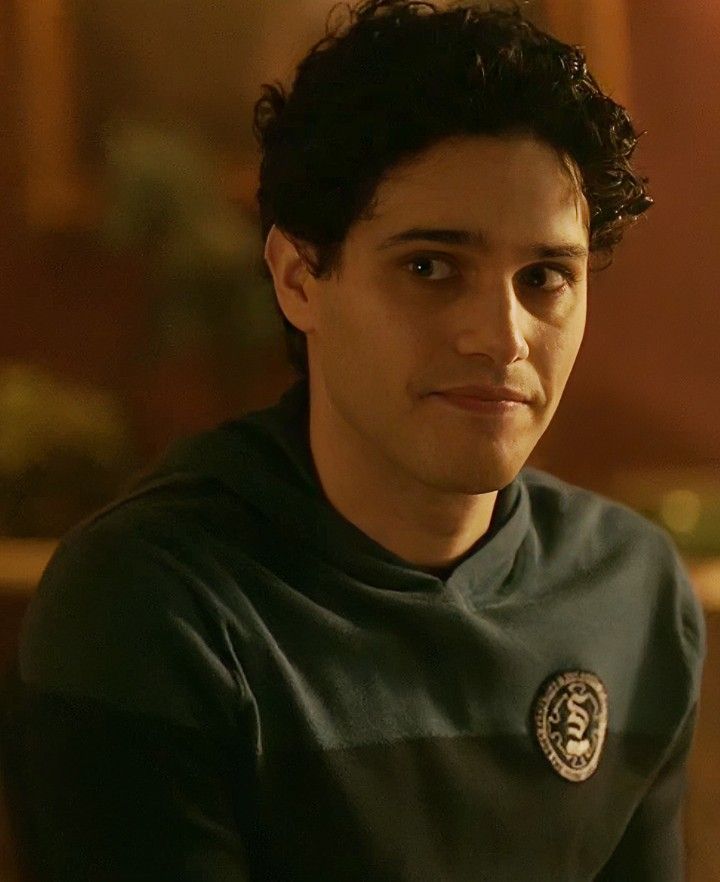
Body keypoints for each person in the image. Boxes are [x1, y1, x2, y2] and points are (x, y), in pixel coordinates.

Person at [0, 1, 706, 880]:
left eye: (544, 278)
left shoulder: (630, 594)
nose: (503, 335)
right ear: (299, 279)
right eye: (429, 267)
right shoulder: (154, 605)